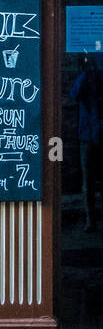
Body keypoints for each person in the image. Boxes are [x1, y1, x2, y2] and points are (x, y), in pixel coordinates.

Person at [71, 53, 103, 231]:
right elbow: (74, 94)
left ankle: (92, 221)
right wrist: (86, 74)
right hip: (88, 136)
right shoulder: (84, 79)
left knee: (90, 181)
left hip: (94, 134)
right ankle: (90, 220)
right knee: (88, 182)